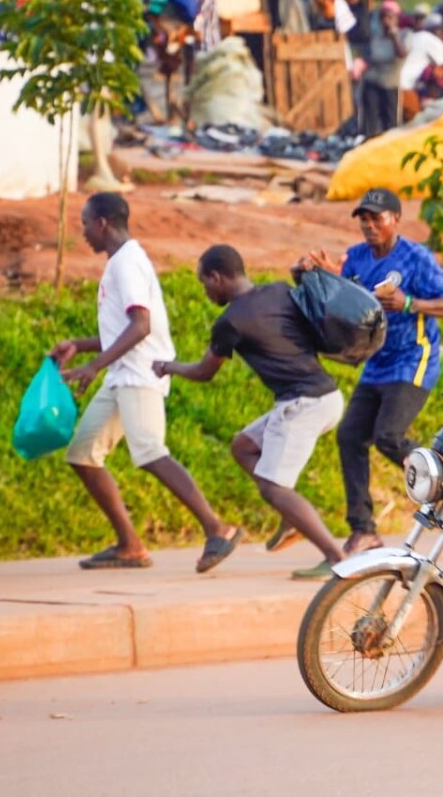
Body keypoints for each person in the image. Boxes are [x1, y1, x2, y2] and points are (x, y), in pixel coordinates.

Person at [50, 193, 241, 573]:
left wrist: (92, 367)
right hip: (122, 373)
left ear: (102, 223)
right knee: (83, 453)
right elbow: (123, 329)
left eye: (86, 223)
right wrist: (80, 346)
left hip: (141, 372)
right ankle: (130, 545)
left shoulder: (128, 263)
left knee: (150, 451)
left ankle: (218, 527)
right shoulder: (119, 263)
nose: (83, 232)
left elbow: (141, 326)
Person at [290, 188, 443, 574]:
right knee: (350, 436)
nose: (369, 225)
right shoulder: (358, 257)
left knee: (388, 435)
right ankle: (364, 530)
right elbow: (342, 292)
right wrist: (318, 273)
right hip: (377, 362)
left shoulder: (416, 258)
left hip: (413, 359)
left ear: (395, 219)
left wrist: (410, 303)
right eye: (363, 218)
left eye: (376, 218)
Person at [154, 245, 346, 580]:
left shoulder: (230, 321)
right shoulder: (277, 289)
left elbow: (204, 371)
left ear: (217, 277)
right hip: (325, 395)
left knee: (273, 487)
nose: (205, 291)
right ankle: (291, 518)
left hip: (303, 403)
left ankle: (336, 556)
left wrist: (170, 367)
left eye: (205, 283)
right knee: (243, 446)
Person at [358, 0, 409, 135]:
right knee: (371, 121)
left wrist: (394, 37)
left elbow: (402, 54)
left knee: (390, 121)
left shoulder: (404, 35)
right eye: (384, 17)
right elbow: (370, 56)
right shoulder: (376, 37)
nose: (386, 21)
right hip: (373, 81)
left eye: (390, 17)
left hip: (390, 83)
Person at [398, 5, 443, 122]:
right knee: (414, 124)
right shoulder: (429, 39)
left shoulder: (413, 36)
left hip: (395, 84)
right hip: (406, 87)